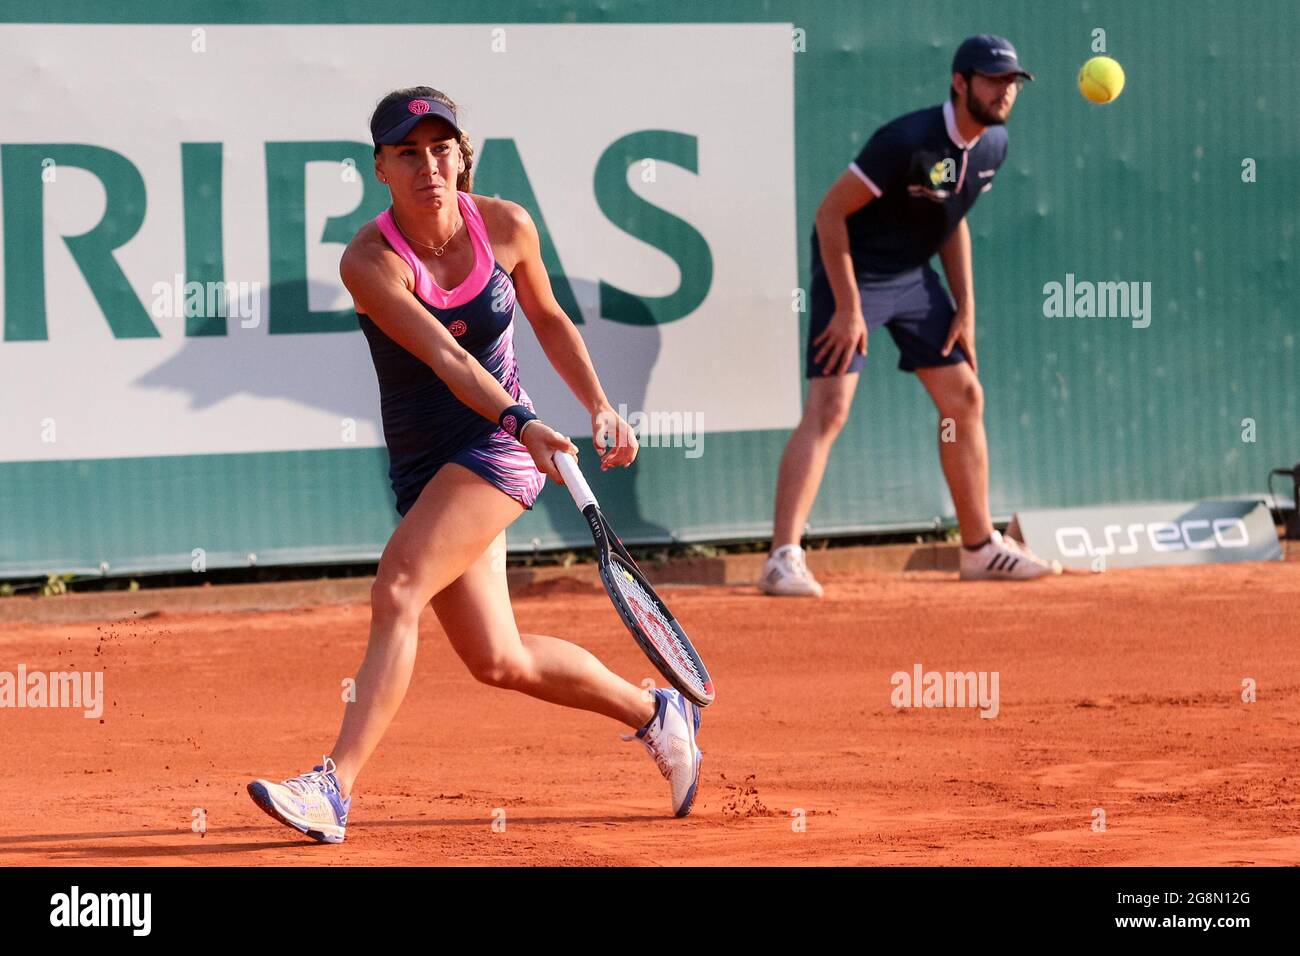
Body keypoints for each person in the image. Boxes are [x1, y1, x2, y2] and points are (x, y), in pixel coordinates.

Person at [247, 87, 703, 843]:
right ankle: (657, 712)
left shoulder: (507, 225)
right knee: (499, 658)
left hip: (497, 450)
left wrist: (595, 404)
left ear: (462, 156)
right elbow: (447, 355)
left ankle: (333, 788)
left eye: (440, 149)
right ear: (381, 170)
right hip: (438, 459)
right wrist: (526, 422)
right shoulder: (368, 261)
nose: (428, 166)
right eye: (407, 154)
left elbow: (549, 318)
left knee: (398, 588)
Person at [762, 35, 1062, 596]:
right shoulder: (906, 140)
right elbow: (830, 216)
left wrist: (964, 305)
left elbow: (952, 221)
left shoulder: (993, 145)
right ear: (960, 82)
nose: (1004, 92)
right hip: (852, 272)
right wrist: (848, 307)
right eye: (993, 79)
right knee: (830, 408)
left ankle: (978, 549)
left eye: (1012, 82)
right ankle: (782, 556)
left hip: (913, 281)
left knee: (965, 397)